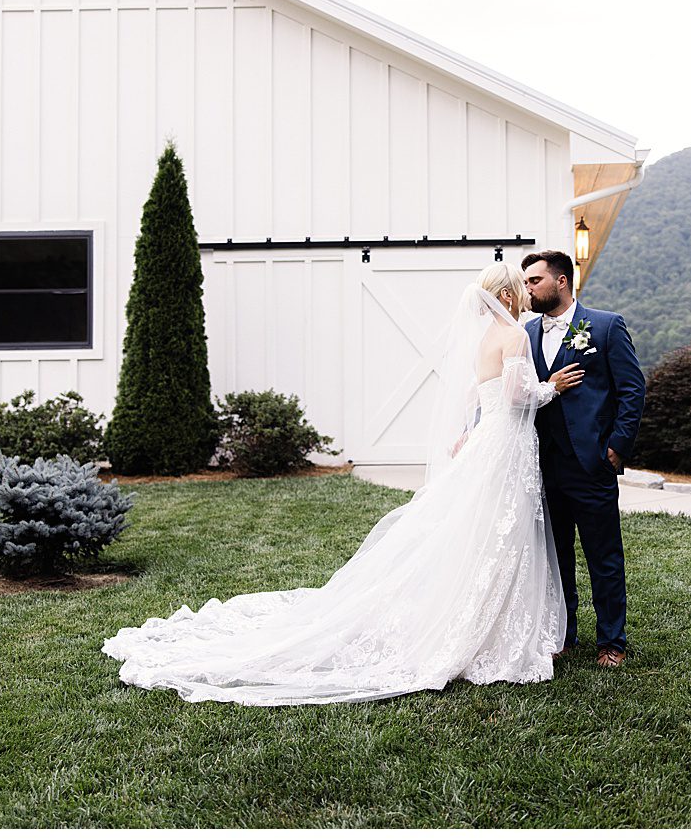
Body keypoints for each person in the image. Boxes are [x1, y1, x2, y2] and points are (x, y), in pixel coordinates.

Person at [102, 262, 586, 704]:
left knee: (481, 534)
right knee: (502, 534)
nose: (524, 294)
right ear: (504, 297)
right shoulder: (515, 337)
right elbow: (518, 395)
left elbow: (472, 394)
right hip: (504, 446)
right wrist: (553, 388)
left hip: (489, 442)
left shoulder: (484, 338)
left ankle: (488, 623)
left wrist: (469, 431)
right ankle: (491, 633)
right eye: (518, 288)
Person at [521, 251, 646, 669]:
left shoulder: (606, 326)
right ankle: (564, 635)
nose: (528, 288)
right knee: (555, 558)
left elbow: (632, 389)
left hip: (592, 463)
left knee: (603, 556)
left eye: (535, 280)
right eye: (525, 282)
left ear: (561, 282)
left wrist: (618, 446)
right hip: (542, 464)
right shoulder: (526, 331)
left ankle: (612, 640)